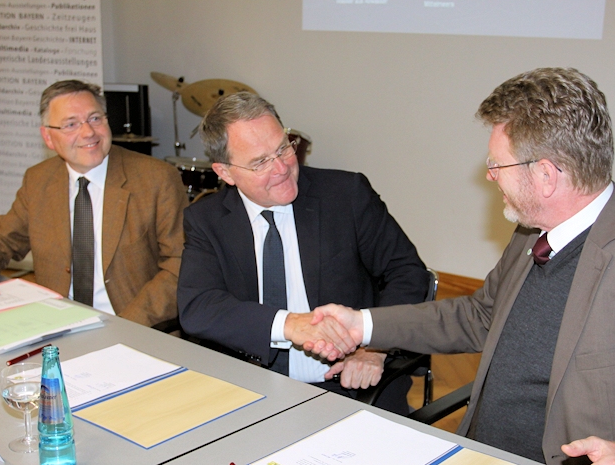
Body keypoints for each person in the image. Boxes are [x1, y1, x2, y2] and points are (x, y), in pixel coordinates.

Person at [309, 68, 615, 465]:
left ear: (545, 175)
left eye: (496, 165)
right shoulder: (532, 234)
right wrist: (361, 324)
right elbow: (480, 316)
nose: (490, 176)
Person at [177, 92, 428, 415]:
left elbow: (407, 272)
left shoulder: (346, 195)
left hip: (349, 387)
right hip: (248, 389)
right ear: (225, 172)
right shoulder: (206, 220)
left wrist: (374, 347)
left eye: (283, 148)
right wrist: (289, 323)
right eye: (260, 162)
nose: (282, 168)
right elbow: (198, 306)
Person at [0, 80, 188, 327]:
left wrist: (127, 325)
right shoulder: (39, 180)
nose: (88, 133)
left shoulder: (156, 179)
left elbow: (179, 265)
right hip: (57, 323)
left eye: (95, 118)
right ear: (48, 137)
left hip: (135, 324)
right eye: (71, 124)